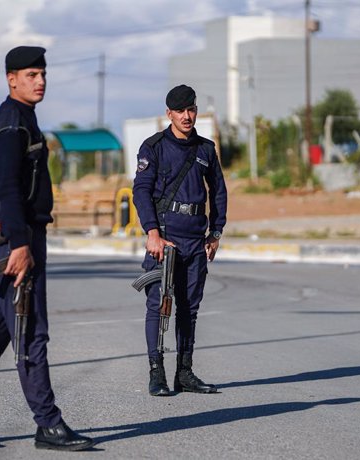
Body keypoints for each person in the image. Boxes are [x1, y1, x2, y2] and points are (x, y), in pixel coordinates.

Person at [0, 46, 94, 451]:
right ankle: (48, 424)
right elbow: (5, 188)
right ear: (11, 79)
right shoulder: (11, 123)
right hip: (14, 239)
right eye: (31, 74)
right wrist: (21, 244)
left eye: (43, 74)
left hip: (20, 235)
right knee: (30, 329)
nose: (40, 81)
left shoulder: (24, 118)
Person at [132, 84, 227, 396]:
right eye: (181, 111)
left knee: (190, 308)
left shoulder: (205, 149)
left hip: (195, 240)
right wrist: (153, 233)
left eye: (192, 109)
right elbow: (141, 191)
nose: (187, 116)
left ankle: (184, 373)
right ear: (169, 113)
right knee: (158, 305)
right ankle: (156, 372)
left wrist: (216, 232)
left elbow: (219, 191)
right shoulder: (153, 147)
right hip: (166, 241)